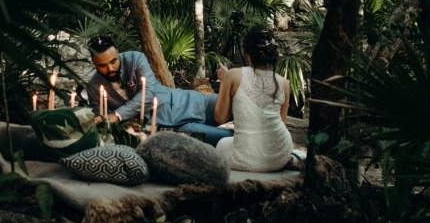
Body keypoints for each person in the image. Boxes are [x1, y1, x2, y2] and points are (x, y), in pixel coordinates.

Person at [85, 35, 234, 146]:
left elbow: (148, 94)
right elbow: (104, 124)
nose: (110, 68)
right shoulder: (94, 87)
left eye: (113, 61)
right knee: (228, 138)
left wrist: (117, 115)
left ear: (117, 53)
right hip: (174, 129)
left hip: (189, 102)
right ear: (94, 62)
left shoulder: (135, 58)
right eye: (102, 66)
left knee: (238, 103)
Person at [213, 25, 293, 172]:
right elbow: (281, 122)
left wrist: (224, 82)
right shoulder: (284, 83)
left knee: (222, 143)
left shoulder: (233, 75)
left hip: (244, 159)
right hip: (279, 155)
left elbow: (220, 118)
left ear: (247, 52)